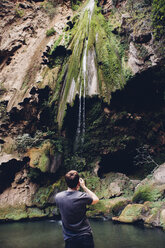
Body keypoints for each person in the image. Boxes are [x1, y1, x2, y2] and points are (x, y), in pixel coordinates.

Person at [55, 170, 99, 248]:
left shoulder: (58, 197)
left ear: (66, 182)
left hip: (70, 238)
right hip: (85, 236)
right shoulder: (83, 196)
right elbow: (96, 199)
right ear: (78, 183)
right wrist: (84, 187)